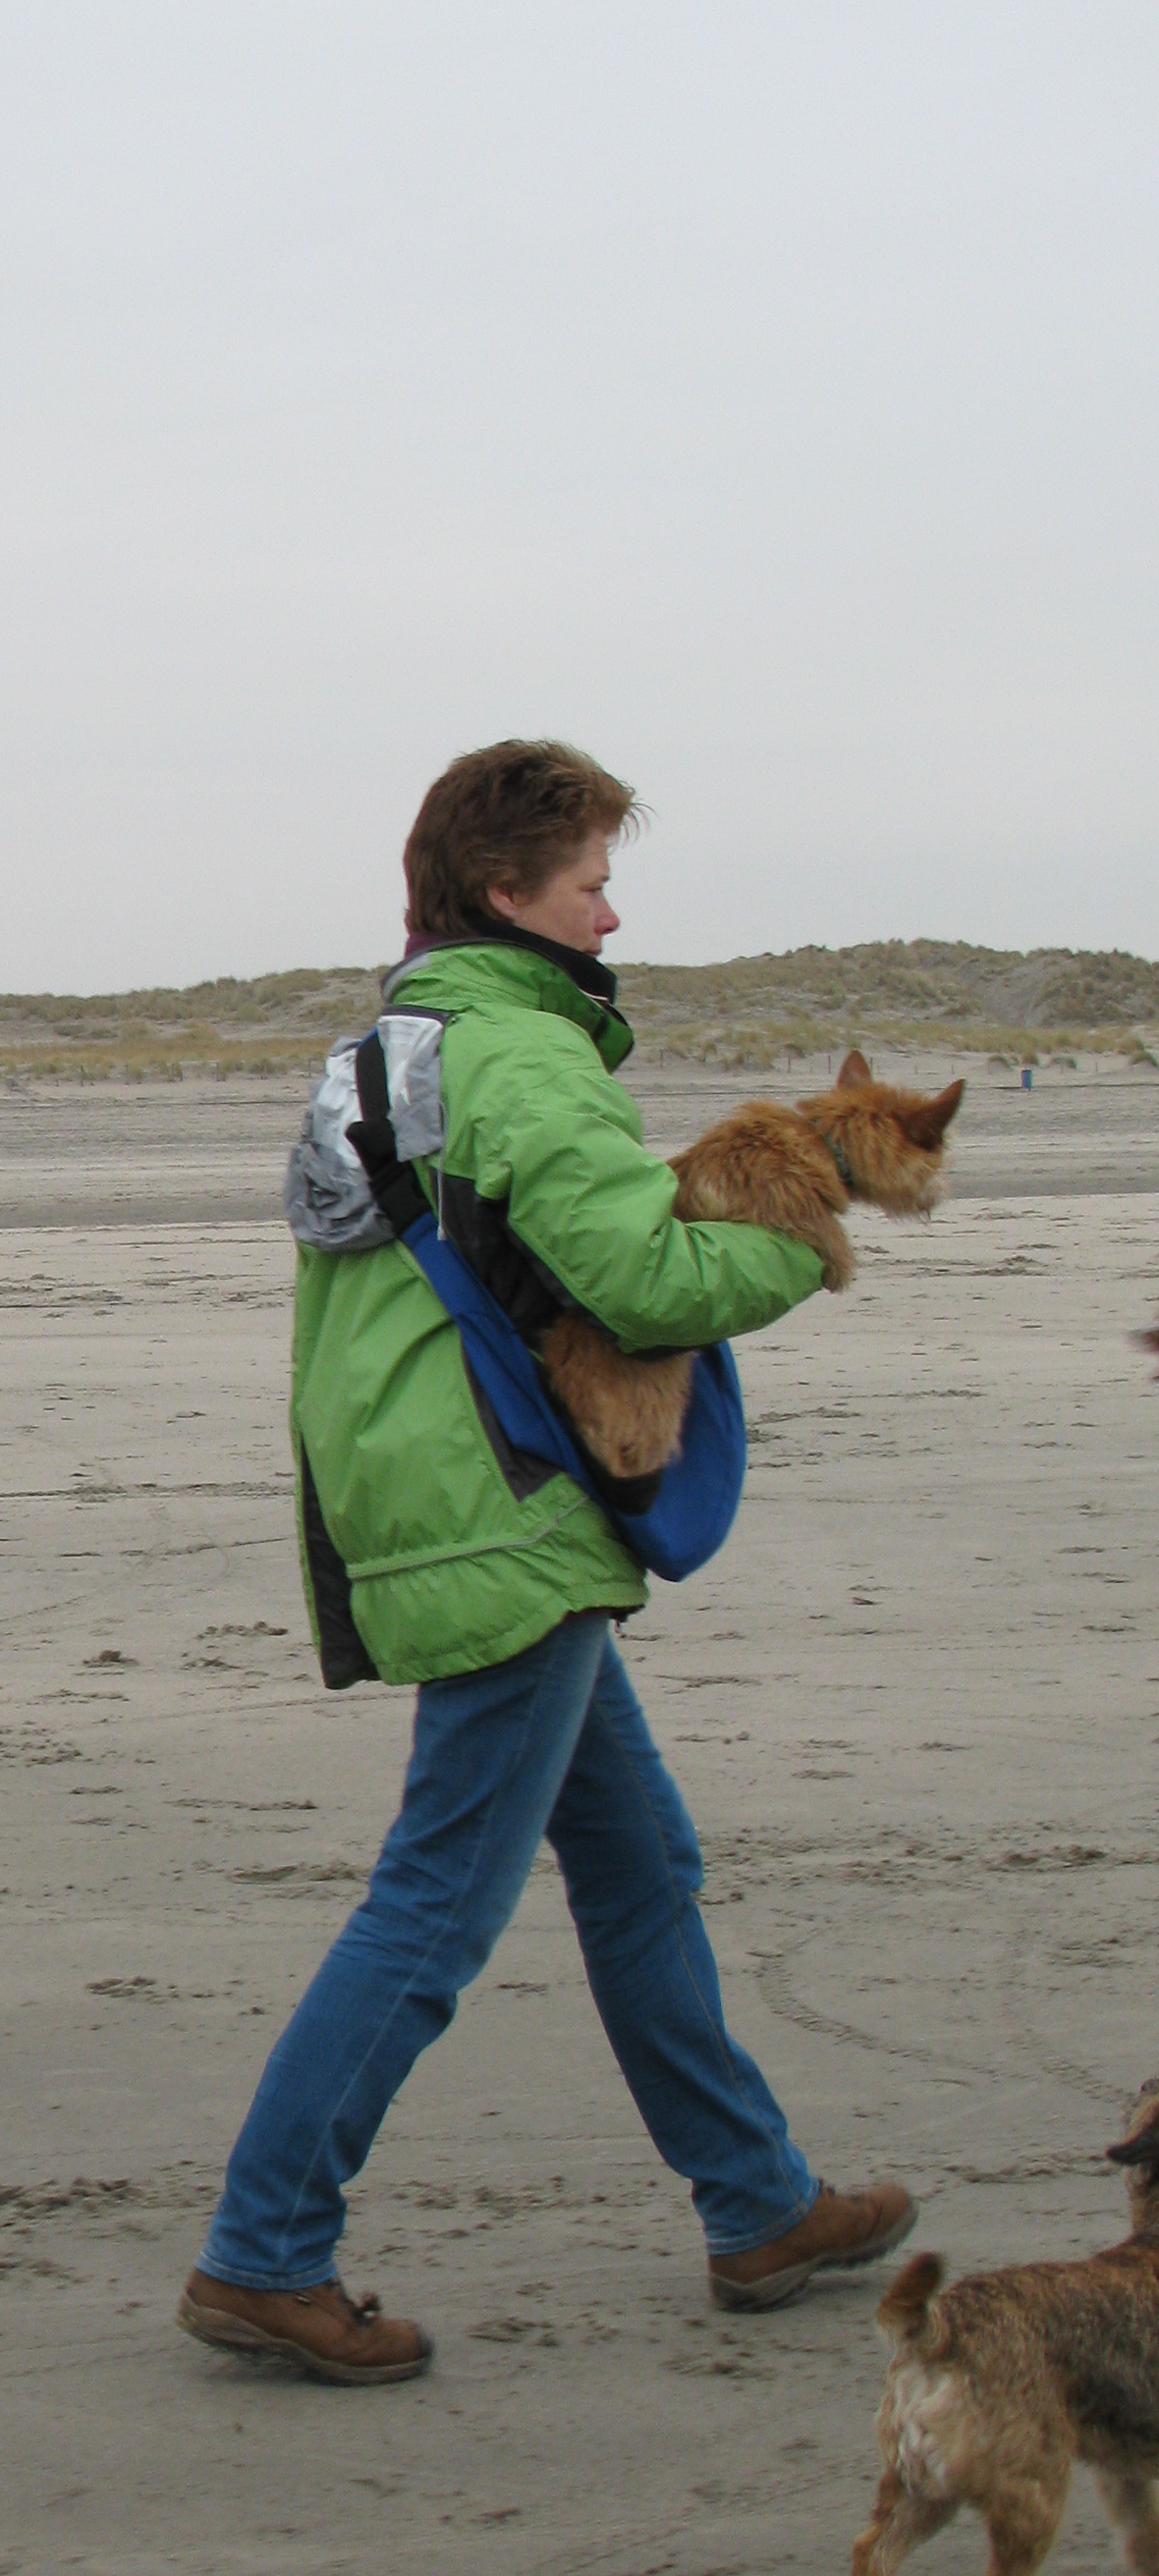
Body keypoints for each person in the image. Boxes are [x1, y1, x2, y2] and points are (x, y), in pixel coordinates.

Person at [180, 743, 911, 2384]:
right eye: (591, 881)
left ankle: (759, 2203)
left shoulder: (392, 1046)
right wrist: (810, 1239)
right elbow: (643, 1283)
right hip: (502, 1500)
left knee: (639, 1863)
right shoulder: (519, 1051)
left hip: (427, 1482)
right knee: (437, 1899)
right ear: (508, 892)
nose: (611, 910)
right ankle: (264, 2249)